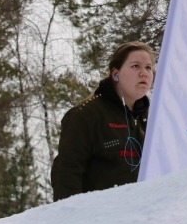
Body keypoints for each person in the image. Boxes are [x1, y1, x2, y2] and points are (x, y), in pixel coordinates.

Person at [50, 41, 155, 201]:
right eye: (135, 66)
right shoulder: (86, 114)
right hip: (97, 219)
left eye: (148, 67)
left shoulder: (152, 120)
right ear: (115, 74)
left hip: (141, 218)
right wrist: (69, 218)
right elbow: (67, 172)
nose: (144, 73)